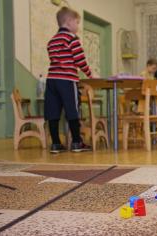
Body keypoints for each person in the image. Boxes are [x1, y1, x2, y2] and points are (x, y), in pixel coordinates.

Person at [44, 7, 93, 154]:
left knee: (52, 111)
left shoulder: (51, 41)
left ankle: (56, 144)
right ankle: (77, 142)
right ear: (69, 22)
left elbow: (55, 60)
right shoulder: (72, 39)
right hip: (67, 80)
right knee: (73, 110)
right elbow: (80, 61)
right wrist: (90, 74)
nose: (78, 26)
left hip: (51, 80)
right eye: (77, 22)